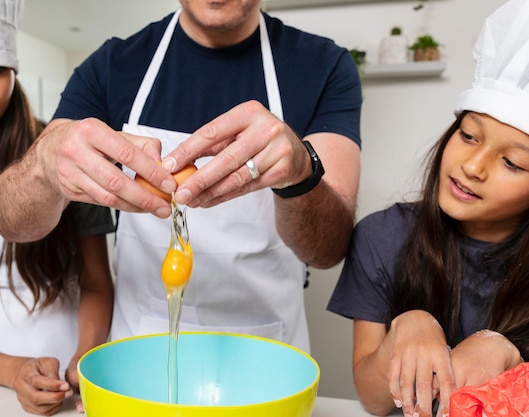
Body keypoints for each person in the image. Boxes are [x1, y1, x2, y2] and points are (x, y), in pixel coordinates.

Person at [2, 0, 361, 352]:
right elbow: (14, 224)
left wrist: (300, 172)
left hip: (268, 353)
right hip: (140, 351)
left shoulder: (324, 66)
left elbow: (327, 251)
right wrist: (43, 167)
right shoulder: (112, 66)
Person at [327, 0, 529, 416]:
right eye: (469, 135)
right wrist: (407, 327)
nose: (472, 167)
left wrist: (504, 353)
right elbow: (374, 401)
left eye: (512, 163)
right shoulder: (382, 235)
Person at [0, 0, 115, 415]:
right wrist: (12, 371)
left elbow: (97, 281)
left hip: (68, 387)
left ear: (13, 74)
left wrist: (85, 360)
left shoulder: (64, 157)